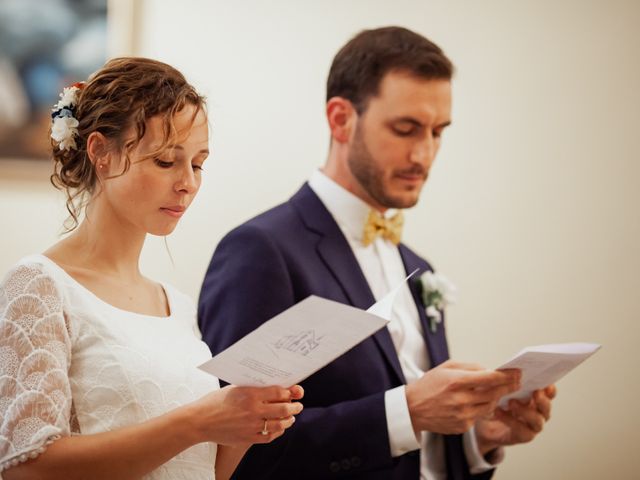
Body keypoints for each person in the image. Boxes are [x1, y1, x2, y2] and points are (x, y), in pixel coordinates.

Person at [198, 26, 556, 480]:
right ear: (341, 118)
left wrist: (477, 438)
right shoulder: (261, 250)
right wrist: (407, 411)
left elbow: (417, 453)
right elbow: (236, 445)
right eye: (406, 129)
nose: (424, 154)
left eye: (438, 132)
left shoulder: (418, 266)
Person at [0, 57, 304, 480]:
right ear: (101, 152)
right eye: (166, 161)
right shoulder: (39, 285)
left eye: (198, 164)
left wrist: (243, 427)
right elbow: (25, 469)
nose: (188, 183)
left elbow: (201, 470)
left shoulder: (176, 306)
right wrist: (199, 421)